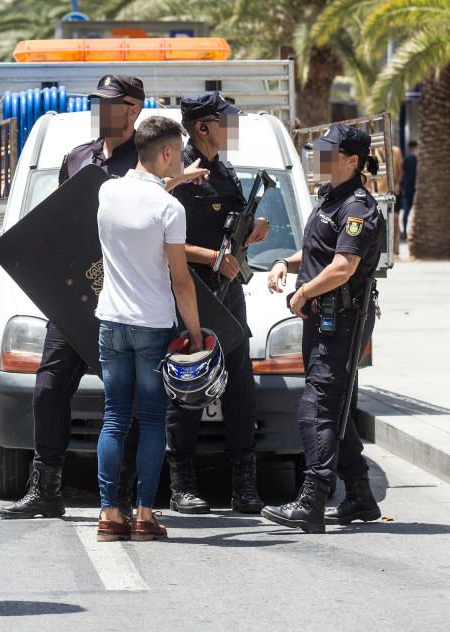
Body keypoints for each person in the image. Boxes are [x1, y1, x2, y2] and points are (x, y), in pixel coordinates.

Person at [1, 74, 204, 521]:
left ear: (135, 109)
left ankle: (126, 495)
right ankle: (46, 486)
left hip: (127, 302)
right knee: (48, 387)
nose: (103, 111)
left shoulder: (149, 160)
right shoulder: (77, 158)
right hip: (77, 299)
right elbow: (59, 225)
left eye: (113, 104)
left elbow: (160, 233)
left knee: (128, 404)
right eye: (99, 103)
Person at [262, 124, 385, 533]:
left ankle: (312, 500)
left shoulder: (358, 207)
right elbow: (319, 251)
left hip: (342, 320)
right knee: (337, 406)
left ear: (351, 161)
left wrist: (301, 296)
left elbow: (343, 266)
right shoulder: (332, 200)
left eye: (328, 153)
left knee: (316, 405)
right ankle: (360, 496)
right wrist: (286, 262)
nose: (319, 158)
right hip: (326, 318)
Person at [94, 116, 204, 543]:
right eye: (177, 152)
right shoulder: (169, 209)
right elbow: (181, 280)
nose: (180, 160)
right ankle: (143, 513)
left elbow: (144, 196)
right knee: (154, 420)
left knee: (114, 419)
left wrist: (174, 182)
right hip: (153, 324)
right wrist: (194, 333)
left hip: (111, 322)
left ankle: (108, 514)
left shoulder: (107, 191)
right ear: (164, 153)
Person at [165, 92, 269, 515]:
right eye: (227, 119)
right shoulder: (178, 173)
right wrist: (212, 258)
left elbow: (237, 220)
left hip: (231, 291)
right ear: (202, 126)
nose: (235, 126)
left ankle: (244, 483)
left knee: (240, 385)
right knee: (190, 383)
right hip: (191, 291)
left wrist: (255, 228)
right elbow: (162, 240)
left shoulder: (224, 169)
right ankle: (181, 483)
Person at [401, 140, 417, 238]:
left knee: (406, 212)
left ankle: (405, 232)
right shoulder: (418, 160)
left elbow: (403, 174)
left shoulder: (406, 160)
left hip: (408, 189)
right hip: (416, 189)